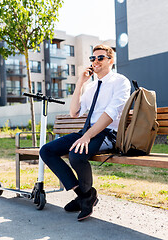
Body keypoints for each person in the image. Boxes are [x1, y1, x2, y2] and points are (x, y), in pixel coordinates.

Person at [40, 44, 130, 221]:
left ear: (111, 60)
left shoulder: (120, 81)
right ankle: (84, 195)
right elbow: (74, 112)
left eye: (100, 58)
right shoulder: (91, 86)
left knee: (76, 154)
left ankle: (85, 198)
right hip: (88, 131)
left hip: (108, 133)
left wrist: (87, 137)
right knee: (46, 150)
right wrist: (80, 83)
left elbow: (111, 114)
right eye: (93, 58)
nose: (95, 61)